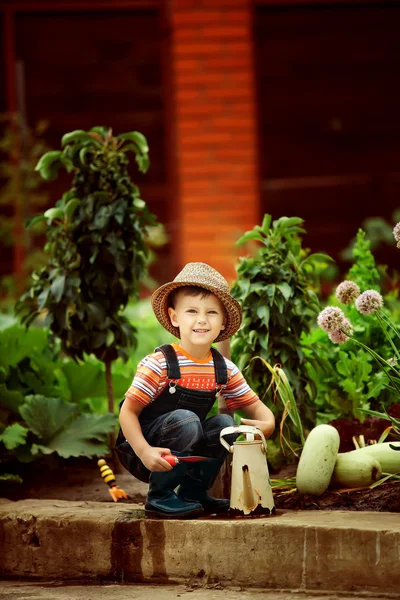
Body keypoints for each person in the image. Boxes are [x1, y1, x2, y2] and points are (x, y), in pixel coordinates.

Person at [116, 262, 275, 519]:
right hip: (141, 449)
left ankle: (192, 492)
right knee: (186, 419)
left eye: (212, 312)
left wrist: (267, 423)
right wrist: (144, 451)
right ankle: (160, 496)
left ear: (223, 322)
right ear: (174, 317)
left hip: (183, 447)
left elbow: (258, 409)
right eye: (192, 311)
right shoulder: (159, 364)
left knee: (225, 424)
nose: (202, 320)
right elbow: (127, 413)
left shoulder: (224, 369)